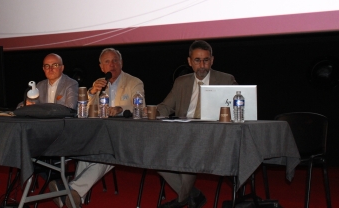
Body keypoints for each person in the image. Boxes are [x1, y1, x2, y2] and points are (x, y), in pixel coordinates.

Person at [49, 48, 145, 208]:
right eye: (107, 62)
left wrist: (120, 109)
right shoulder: (100, 84)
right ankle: (74, 196)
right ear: (101, 67)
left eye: (115, 61)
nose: (112, 65)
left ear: (121, 63)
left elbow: (140, 106)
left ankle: (70, 191)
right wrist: (93, 92)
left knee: (108, 153)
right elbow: (84, 111)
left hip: (124, 136)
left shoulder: (134, 82)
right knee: (87, 153)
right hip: (100, 135)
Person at [157, 40, 237, 208]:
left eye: (206, 60)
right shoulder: (181, 82)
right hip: (182, 133)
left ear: (212, 60)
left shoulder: (226, 80)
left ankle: (181, 201)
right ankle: (193, 195)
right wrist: (152, 112)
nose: (202, 65)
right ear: (189, 61)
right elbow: (165, 107)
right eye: (197, 60)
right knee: (154, 156)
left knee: (189, 155)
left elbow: (238, 111)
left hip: (212, 136)